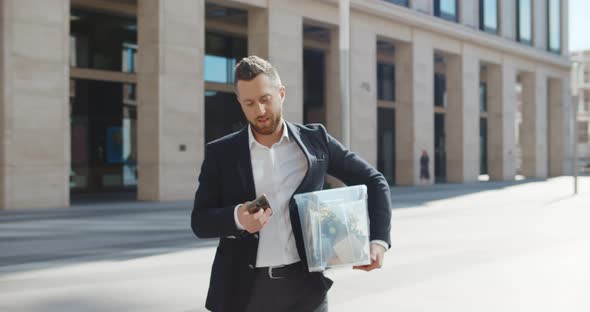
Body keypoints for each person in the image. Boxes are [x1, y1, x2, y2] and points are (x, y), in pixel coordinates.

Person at [191, 56, 392, 312]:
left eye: (265, 99)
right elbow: (200, 221)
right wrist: (238, 219)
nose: (260, 111)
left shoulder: (315, 141)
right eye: (250, 103)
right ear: (240, 103)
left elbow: (374, 180)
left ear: (281, 93)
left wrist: (378, 241)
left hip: (307, 289)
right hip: (245, 292)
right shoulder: (221, 154)